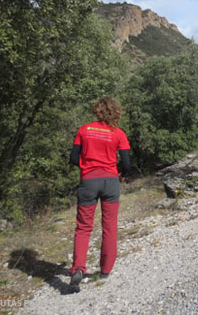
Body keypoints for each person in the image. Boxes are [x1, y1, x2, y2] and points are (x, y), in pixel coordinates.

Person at [68, 97, 130, 287]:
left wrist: (87, 167)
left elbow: (72, 158)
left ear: (97, 111)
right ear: (115, 112)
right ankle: (105, 270)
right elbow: (127, 165)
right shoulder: (119, 133)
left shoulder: (84, 130)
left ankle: (78, 268)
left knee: (83, 227)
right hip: (111, 181)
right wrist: (117, 172)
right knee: (110, 227)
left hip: (88, 181)